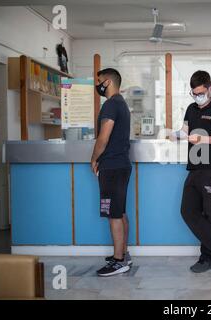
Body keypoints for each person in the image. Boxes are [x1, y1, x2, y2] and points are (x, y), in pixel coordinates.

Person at [171, 70, 211, 273]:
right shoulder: (191, 109)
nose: (198, 96)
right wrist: (173, 135)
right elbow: (184, 130)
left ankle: (207, 258)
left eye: (201, 92)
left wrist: (202, 139)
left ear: (209, 89)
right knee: (187, 210)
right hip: (195, 167)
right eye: (194, 93)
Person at [91, 68, 132, 277]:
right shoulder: (121, 104)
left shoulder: (110, 105)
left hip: (112, 167)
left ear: (107, 82)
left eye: (98, 81)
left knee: (113, 214)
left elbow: (103, 138)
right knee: (120, 211)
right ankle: (123, 254)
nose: (96, 85)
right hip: (121, 165)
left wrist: (94, 158)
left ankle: (118, 262)